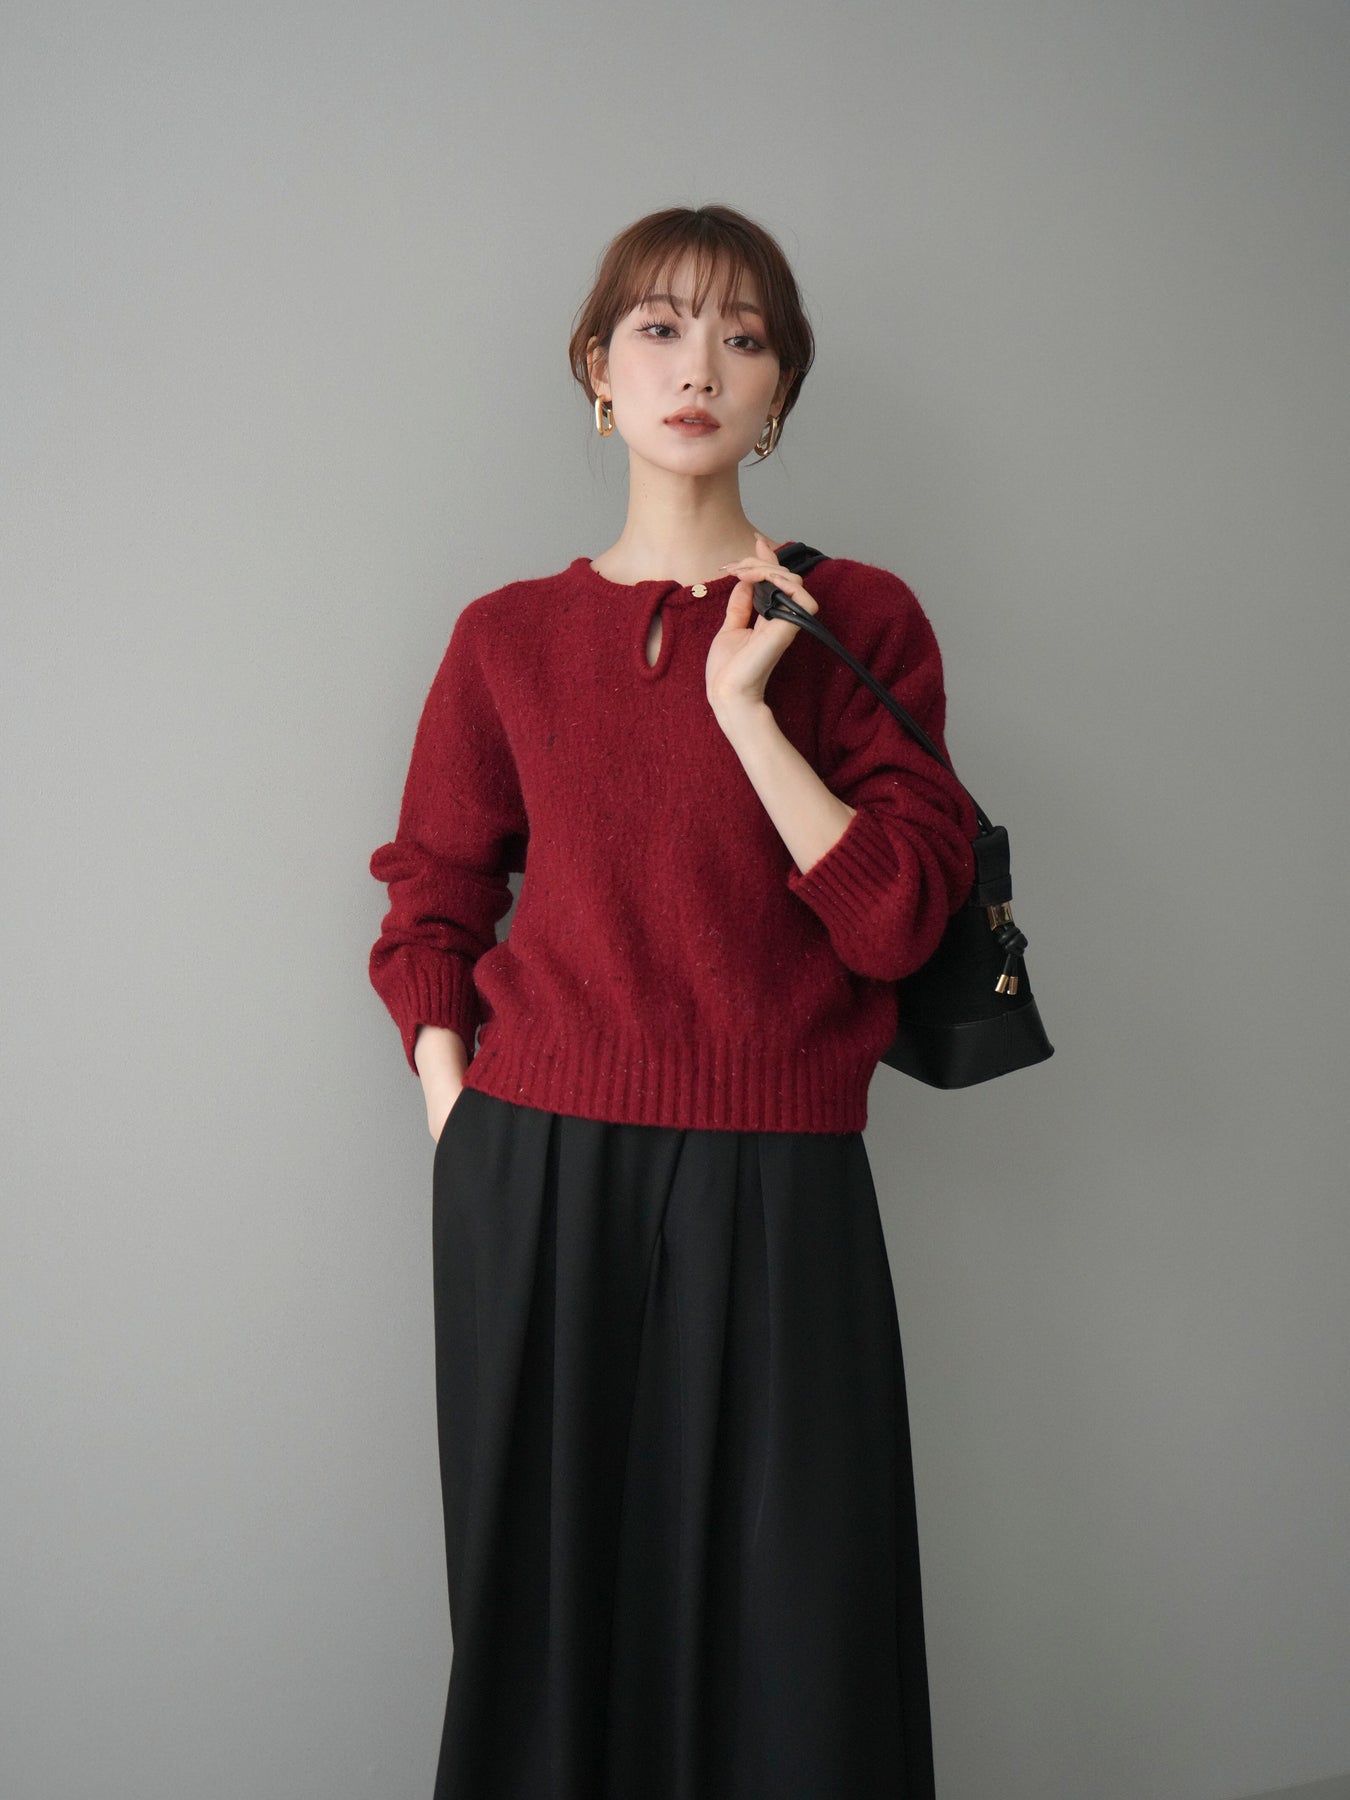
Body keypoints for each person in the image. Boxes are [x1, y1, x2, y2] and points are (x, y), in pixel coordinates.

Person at [367, 202, 978, 1800]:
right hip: (535, 1170)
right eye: (658, 326)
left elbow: (897, 921)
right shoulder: (505, 638)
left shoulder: (859, 622)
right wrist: (459, 1116)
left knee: (799, 1650)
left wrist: (747, 712)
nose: (696, 364)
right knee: (549, 1632)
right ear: (596, 370)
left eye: (742, 336)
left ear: (778, 392)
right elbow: (431, 899)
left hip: (780, 1174)